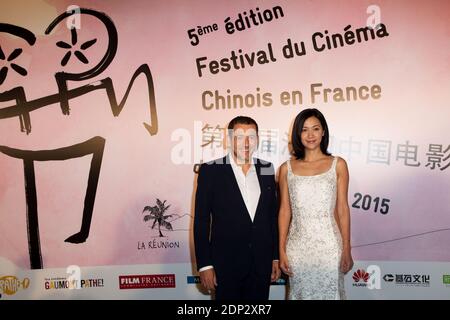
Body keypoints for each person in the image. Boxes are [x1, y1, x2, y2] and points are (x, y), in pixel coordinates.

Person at [194, 116, 280, 300]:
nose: (246, 142)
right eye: (240, 136)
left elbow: (272, 217)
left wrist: (275, 257)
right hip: (226, 266)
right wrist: (205, 265)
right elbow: (201, 221)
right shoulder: (210, 171)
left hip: (260, 265)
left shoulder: (267, 168)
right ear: (229, 139)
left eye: (251, 136)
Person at [278, 108, 354, 300]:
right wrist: (281, 249)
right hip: (297, 248)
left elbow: (343, 209)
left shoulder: (338, 164)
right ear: (298, 134)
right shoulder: (286, 169)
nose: (310, 135)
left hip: (330, 247)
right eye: (304, 130)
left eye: (315, 128)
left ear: (323, 132)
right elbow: (285, 211)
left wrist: (346, 247)